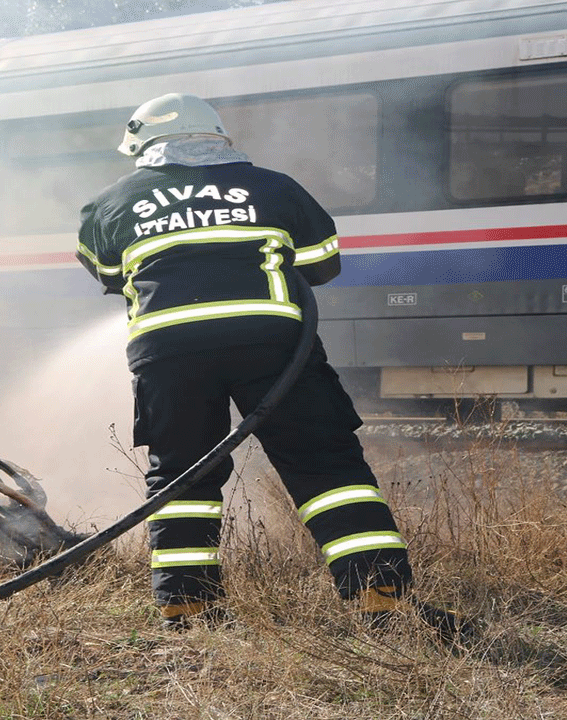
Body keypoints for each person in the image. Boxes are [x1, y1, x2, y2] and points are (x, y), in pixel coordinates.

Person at [76, 93, 446, 634]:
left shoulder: (109, 203)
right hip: (274, 346)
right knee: (327, 466)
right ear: (217, 136)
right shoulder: (274, 186)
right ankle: (380, 597)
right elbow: (322, 265)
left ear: (142, 145)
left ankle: (188, 608)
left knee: (181, 475)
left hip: (168, 354)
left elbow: (109, 276)